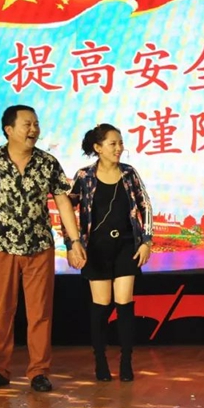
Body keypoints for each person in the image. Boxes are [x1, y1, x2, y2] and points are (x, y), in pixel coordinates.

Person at [0, 105, 86, 392]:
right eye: (27, 124)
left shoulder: (47, 162)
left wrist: (74, 241)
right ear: (9, 129)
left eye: (36, 124)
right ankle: (0, 370)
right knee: (2, 311)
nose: (34, 130)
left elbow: (63, 202)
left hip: (39, 246)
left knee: (40, 312)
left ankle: (39, 372)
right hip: (2, 246)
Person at [63, 124, 153, 382]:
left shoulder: (129, 173)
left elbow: (145, 205)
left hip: (126, 246)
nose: (119, 148)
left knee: (124, 304)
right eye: (113, 143)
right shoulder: (84, 176)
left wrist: (146, 241)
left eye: (120, 143)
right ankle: (100, 362)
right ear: (98, 147)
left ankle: (126, 362)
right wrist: (71, 244)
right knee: (101, 307)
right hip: (95, 249)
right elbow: (66, 209)